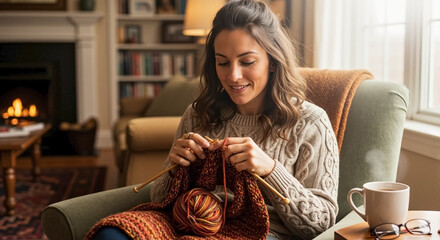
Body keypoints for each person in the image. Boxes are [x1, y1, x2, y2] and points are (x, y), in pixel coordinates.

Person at [94, 0, 339, 239]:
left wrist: (270, 170)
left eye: (247, 61)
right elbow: (159, 200)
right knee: (112, 233)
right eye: (222, 62)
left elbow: (321, 224)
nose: (233, 75)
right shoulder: (199, 113)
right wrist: (173, 167)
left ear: (272, 61)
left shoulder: (309, 122)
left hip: (261, 231)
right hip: (189, 220)